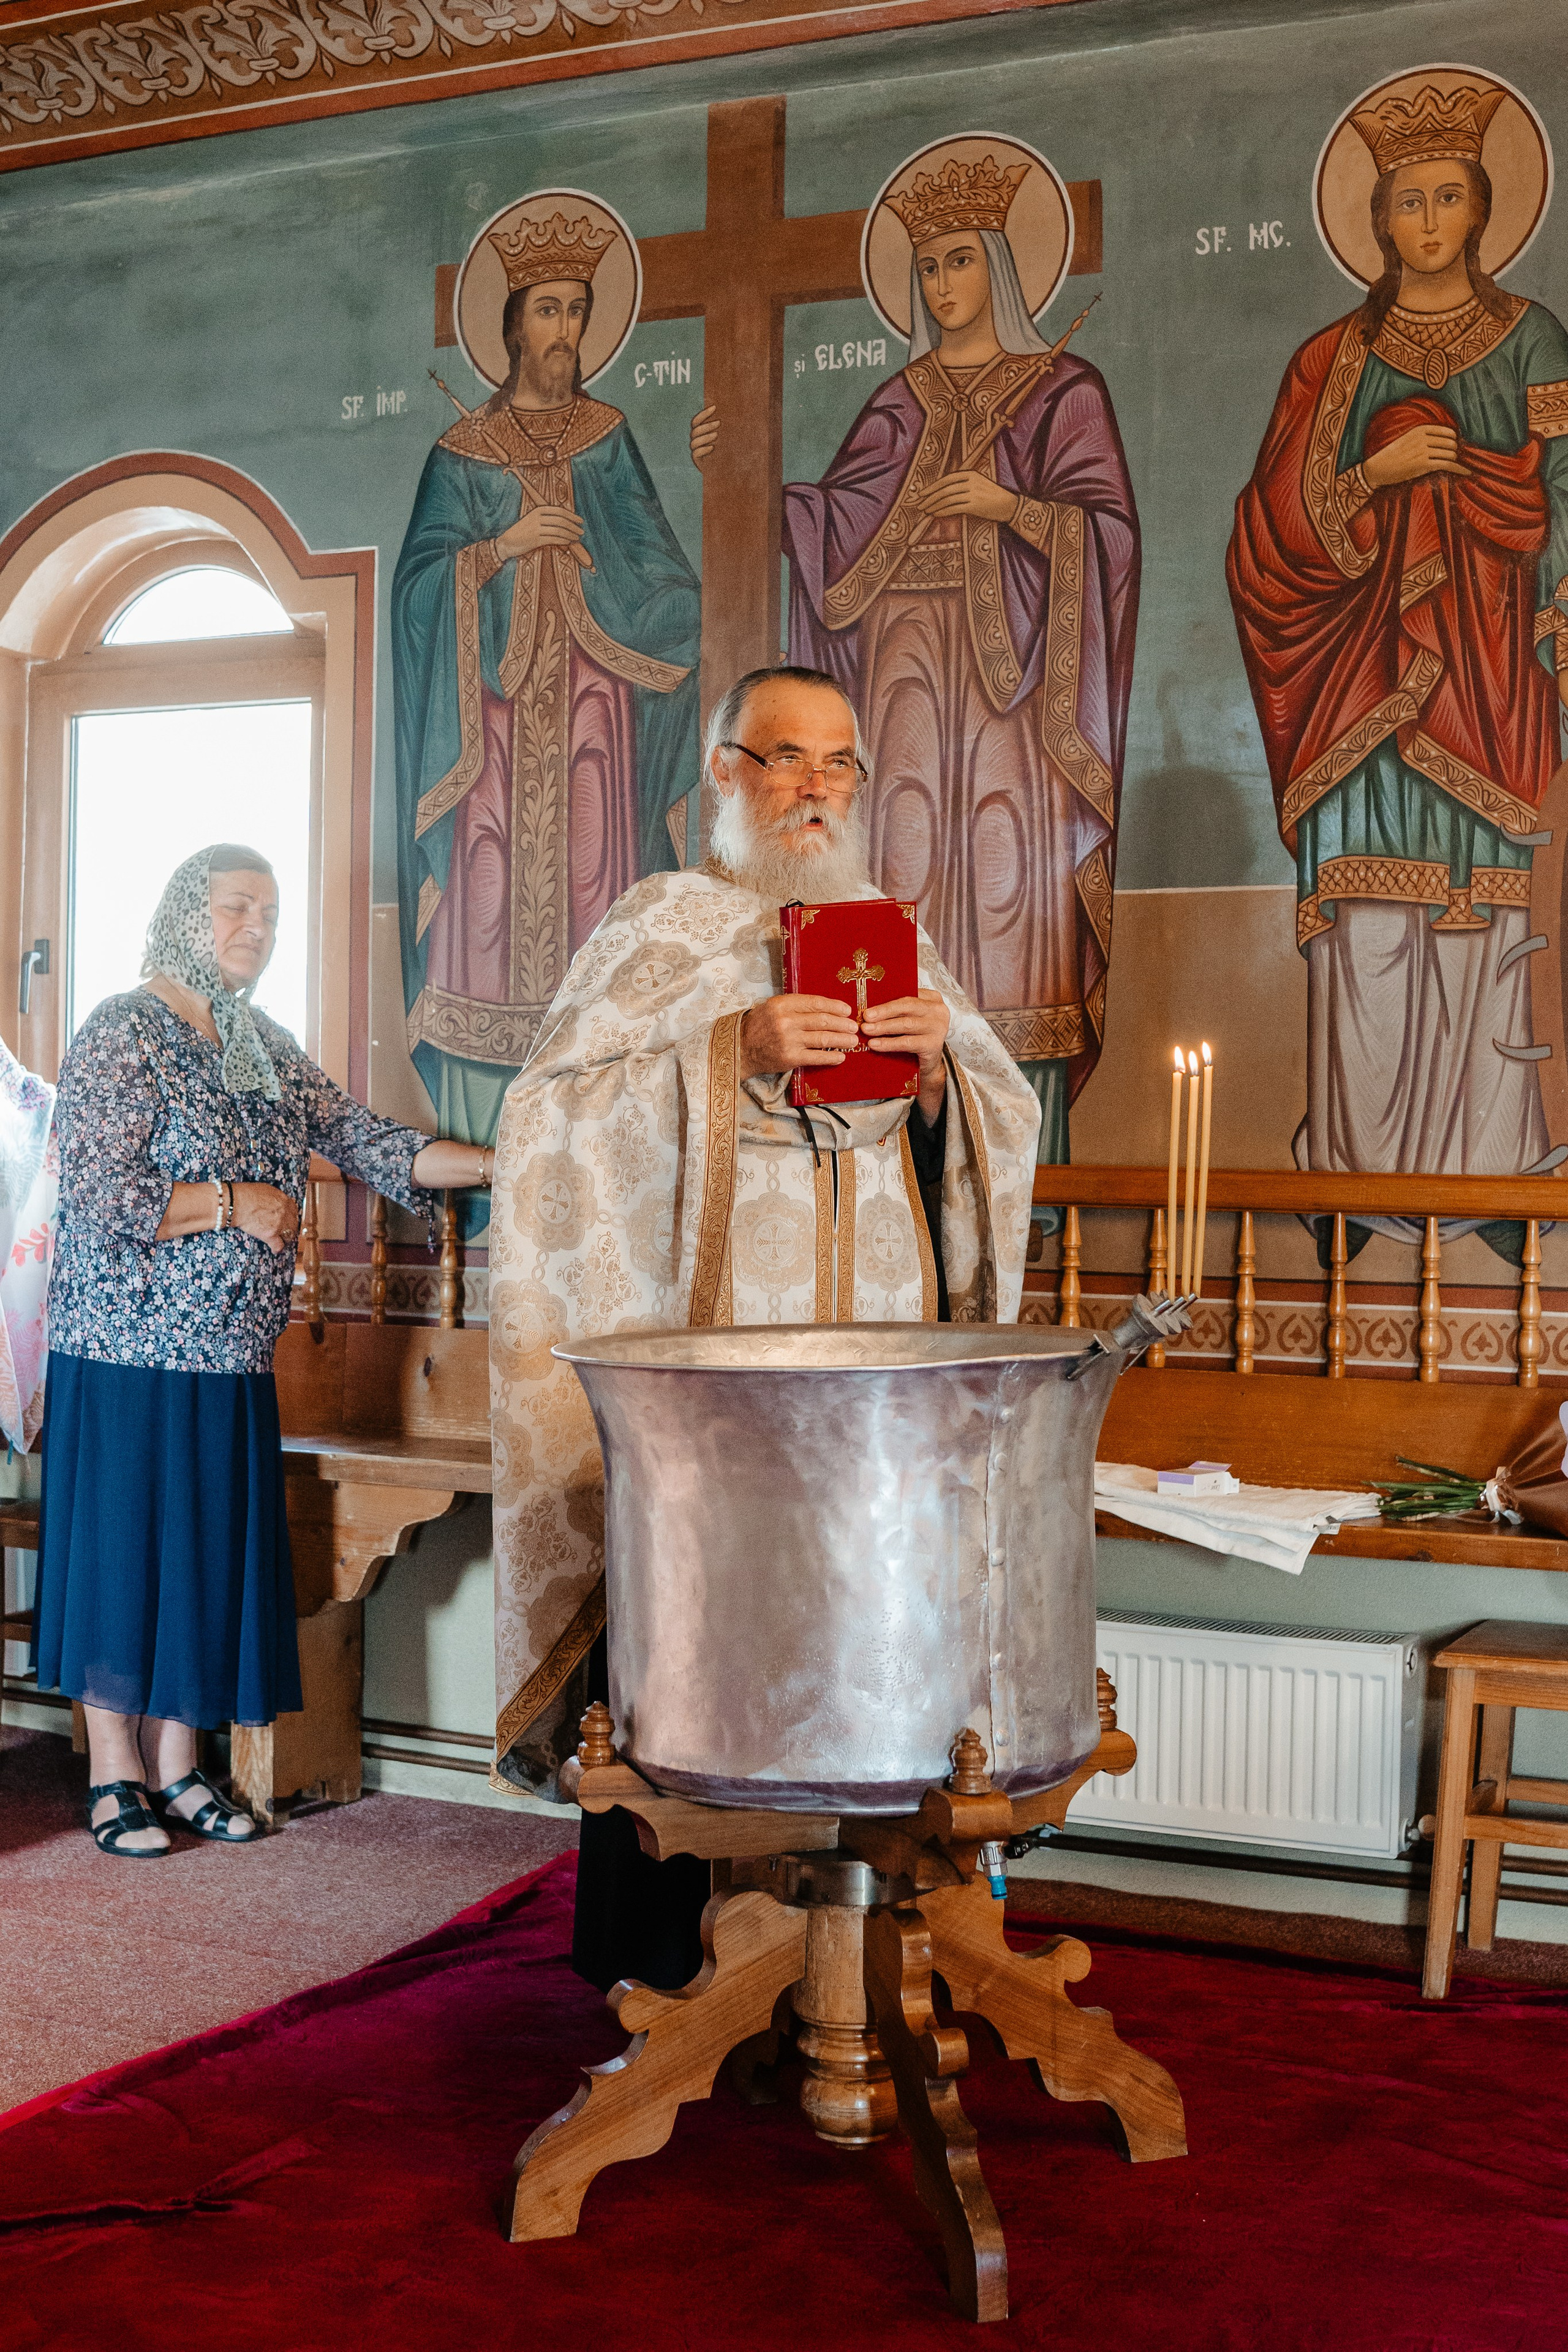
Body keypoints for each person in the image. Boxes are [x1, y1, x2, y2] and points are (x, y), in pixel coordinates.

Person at [486, 665, 1042, 1989]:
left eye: (838, 762)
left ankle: (864, 1932)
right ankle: (679, 1964)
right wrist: (726, 1049)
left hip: (873, 1375)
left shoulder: (889, 937)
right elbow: (543, 1124)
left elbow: (993, 1129)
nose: (815, 787)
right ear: (724, 771)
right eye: (785, 757)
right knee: (708, 1624)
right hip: (721, 1385)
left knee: (868, 1612)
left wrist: (939, 1078)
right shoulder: (661, 924)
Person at [34, 845, 496, 1858]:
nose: (258, 928)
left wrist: (510, 1159)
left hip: (232, 1358)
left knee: (200, 1561)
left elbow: (372, 1141)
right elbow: (101, 1192)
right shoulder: (122, 1028)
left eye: (272, 915)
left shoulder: (261, 1044)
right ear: (182, 916)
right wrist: (236, 1202)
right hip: (125, 1352)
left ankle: (176, 1767)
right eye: (237, 907)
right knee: (125, 1561)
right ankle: (115, 1775)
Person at [1228, 79, 1568, 1208]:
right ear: (1378, 219)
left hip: (1496, 676)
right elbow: (1269, 530)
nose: (1429, 221)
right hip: (1359, 685)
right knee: (1372, 937)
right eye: (1407, 201)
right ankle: (1359, 1193)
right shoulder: (1330, 359)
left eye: (1449, 197)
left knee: (1486, 935)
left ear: (1482, 209)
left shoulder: (1533, 341)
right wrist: (1374, 475)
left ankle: (1491, 1184)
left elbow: (1565, 494)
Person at [782, 149, 1139, 1165]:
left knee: (1011, 886)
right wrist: (754, 480)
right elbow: (836, 525)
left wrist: (1012, 507)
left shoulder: (1064, 391)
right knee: (901, 861)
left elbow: (1110, 537)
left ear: (1000, 266)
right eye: (928, 267)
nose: (942, 285)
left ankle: (1023, 1159)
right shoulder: (898, 402)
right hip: (902, 674)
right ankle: (887, 1154)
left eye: (960, 261)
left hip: (1015, 695)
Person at [393, 209, 701, 1166]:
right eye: (547, 310)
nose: (564, 329)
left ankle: (602, 1119)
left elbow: (664, 576)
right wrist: (501, 549)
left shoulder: (607, 438)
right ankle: (489, 1142)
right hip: (489, 723)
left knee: (595, 881)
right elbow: (417, 591)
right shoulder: (462, 450)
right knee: (485, 891)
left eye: (576, 310)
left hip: (594, 710)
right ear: (513, 325)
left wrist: (602, 567)